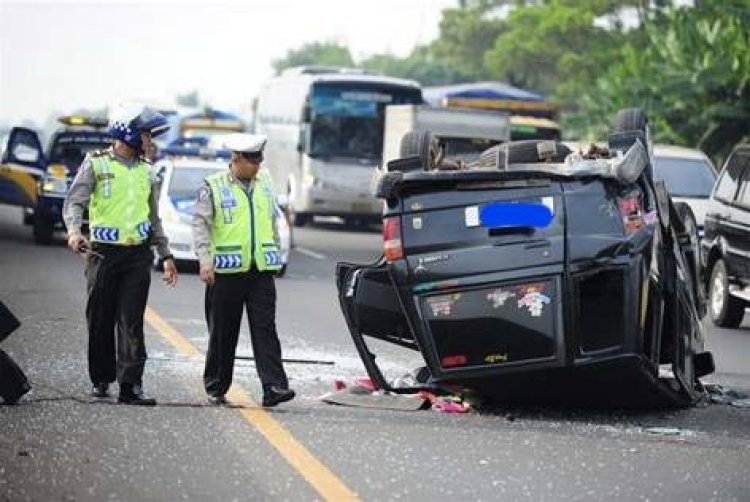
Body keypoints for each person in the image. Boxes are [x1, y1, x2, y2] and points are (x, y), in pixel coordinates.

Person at [63, 105, 178, 406]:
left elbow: (153, 218)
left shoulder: (147, 170)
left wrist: (165, 254)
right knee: (100, 318)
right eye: (145, 134)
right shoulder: (96, 164)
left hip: (137, 255)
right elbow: (75, 202)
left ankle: (131, 386)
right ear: (127, 132)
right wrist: (75, 231)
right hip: (102, 255)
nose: (150, 141)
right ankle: (101, 378)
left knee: (131, 320)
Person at [192, 133, 295, 407]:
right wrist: (205, 261)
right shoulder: (212, 186)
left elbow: (271, 220)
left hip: (260, 271)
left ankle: (274, 386)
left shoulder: (264, 182)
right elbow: (200, 226)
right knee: (224, 332)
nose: (258, 165)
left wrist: (275, 253)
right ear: (236, 159)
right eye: (252, 161)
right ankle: (216, 384)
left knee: (265, 329)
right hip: (225, 273)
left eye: (260, 160)